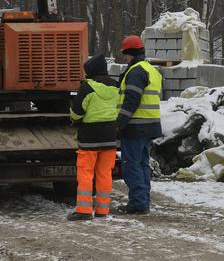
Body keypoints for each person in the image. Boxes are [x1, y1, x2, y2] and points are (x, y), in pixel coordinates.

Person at [67, 53, 119, 221]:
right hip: (110, 136)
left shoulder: (87, 87)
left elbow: (76, 113)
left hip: (89, 137)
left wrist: (73, 119)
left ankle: (84, 210)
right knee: (104, 174)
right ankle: (103, 210)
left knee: (86, 174)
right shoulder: (115, 86)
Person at [116, 35, 162, 215]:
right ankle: (143, 201)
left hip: (135, 127)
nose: (124, 59)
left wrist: (120, 122)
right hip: (149, 126)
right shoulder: (151, 69)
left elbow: (132, 100)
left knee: (131, 165)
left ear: (131, 53)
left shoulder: (135, 71)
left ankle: (138, 203)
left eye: (125, 55)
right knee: (142, 164)